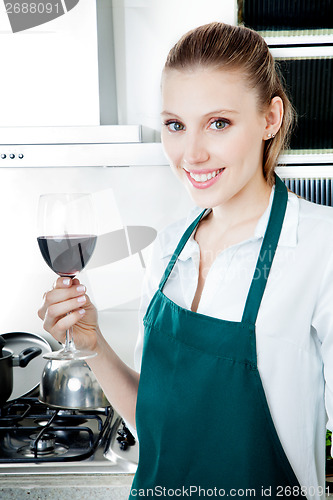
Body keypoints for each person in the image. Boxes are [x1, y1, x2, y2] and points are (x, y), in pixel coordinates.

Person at [38, 22, 333, 499]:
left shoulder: (322, 247)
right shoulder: (170, 247)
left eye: (219, 123)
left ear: (270, 119)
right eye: (175, 125)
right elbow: (157, 422)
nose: (191, 154)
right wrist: (92, 344)